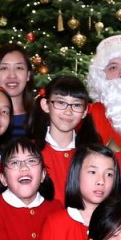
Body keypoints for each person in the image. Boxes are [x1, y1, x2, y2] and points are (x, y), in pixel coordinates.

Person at [38, 144, 121, 240]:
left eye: (109, 174)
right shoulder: (55, 224)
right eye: (92, 172)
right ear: (76, 174)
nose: (101, 181)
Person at [27, 75, 99, 205]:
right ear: (46, 105)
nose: (68, 112)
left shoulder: (93, 154)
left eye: (76, 105)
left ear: (84, 111)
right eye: (60, 102)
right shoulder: (29, 152)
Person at [0, 44, 34, 137]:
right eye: (4, 68)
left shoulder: (41, 118)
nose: (12, 75)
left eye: (19, 68)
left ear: (28, 75)